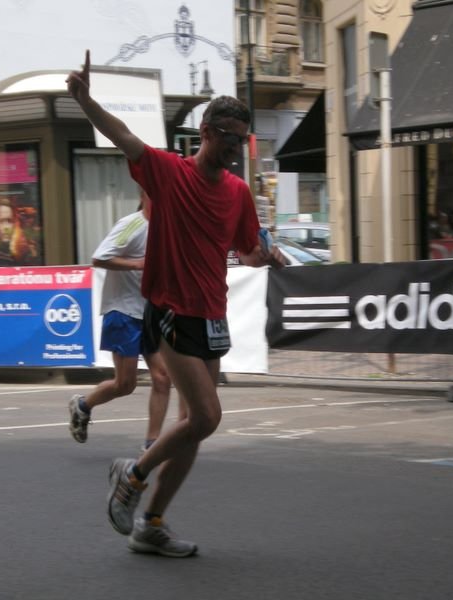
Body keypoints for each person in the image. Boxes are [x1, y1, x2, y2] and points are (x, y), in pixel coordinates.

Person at [66, 50, 285, 558]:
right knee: (207, 416)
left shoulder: (237, 193)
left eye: (241, 140)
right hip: (169, 310)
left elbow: (246, 251)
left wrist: (266, 256)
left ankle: (152, 524)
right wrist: (84, 100)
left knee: (193, 430)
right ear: (205, 131)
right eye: (227, 136)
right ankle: (132, 475)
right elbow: (124, 135)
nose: (234, 148)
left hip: (212, 314)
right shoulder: (168, 173)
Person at [68, 188, 172, 451]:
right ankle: (83, 405)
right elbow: (99, 257)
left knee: (162, 377)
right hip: (123, 310)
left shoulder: (167, 227)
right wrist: (138, 264)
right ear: (145, 195)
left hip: (150, 312)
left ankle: (152, 443)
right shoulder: (131, 224)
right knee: (125, 384)